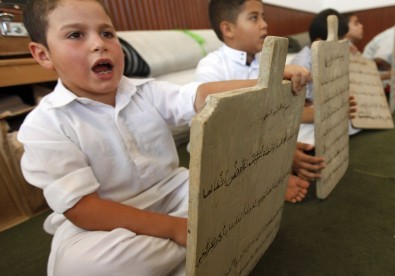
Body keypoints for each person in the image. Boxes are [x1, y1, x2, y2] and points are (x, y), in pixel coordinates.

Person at [18, 0, 310, 275]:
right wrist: (174, 229)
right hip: (107, 225)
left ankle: (203, 241)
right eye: (76, 35)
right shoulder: (43, 126)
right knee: (82, 265)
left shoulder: (149, 91)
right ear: (43, 54)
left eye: (107, 33)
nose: (99, 44)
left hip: (176, 193)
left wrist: (268, 80)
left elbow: (200, 95)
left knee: (234, 185)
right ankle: (211, 239)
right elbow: (85, 210)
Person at [195, 0, 326, 203]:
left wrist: (286, 142)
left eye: (264, 17)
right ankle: (271, 177)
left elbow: (279, 111)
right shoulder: (211, 68)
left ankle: (281, 162)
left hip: (264, 133)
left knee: (310, 131)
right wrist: (284, 151)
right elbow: (222, 129)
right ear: (228, 29)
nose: (264, 24)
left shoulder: (266, 60)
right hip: (228, 143)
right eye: (254, 17)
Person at [290, 8, 359, 141]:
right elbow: (301, 106)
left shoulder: (331, 56)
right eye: (338, 40)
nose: (342, 45)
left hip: (324, 107)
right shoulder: (302, 63)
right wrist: (333, 108)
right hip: (309, 112)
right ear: (319, 42)